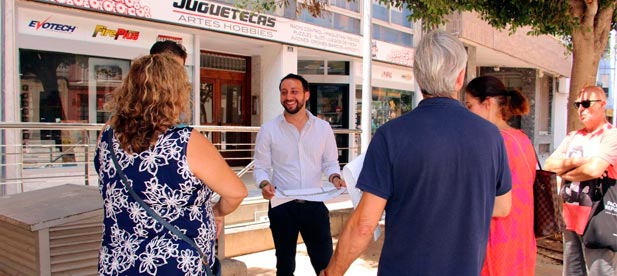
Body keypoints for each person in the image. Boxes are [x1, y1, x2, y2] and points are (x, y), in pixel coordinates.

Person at [321, 30, 512, 276]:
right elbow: (503, 206)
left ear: (418, 78)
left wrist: (331, 272)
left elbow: (364, 224)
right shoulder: (491, 136)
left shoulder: (391, 135)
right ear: (460, 78)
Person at [95, 53, 247, 276]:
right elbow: (236, 192)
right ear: (175, 93)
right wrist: (216, 212)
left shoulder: (106, 136)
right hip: (175, 264)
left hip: (118, 262)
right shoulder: (186, 142)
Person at [253, 73, 346, 276]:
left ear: (306, 95)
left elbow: (330, 163)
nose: (289, 96)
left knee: (325, 266)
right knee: (285, 267)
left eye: (294, 91)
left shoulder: (323, 128)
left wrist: (335, 178)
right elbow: (260, 167)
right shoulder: (268, 129)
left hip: (314, 205)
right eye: (284, 92)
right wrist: (264, 184)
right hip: (282, 205)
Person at [465, 75, 537, 276]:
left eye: (470, 106)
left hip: (495, 242)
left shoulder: (492, 143)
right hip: (522, 242)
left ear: (487, 104)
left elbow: (498, 205)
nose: (467, 113)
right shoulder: (523, 140)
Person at [544, 85, 617, 276]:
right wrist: (581, 162)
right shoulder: (573, 137)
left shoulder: (611, 135)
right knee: (572, 271)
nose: (581, 109)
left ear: (602, 104)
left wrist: (566, 172)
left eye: (586, 103)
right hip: (570, 216)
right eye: (578, 104)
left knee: (599, 271)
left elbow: (595, 170)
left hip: (597, 218)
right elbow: (550, 165)